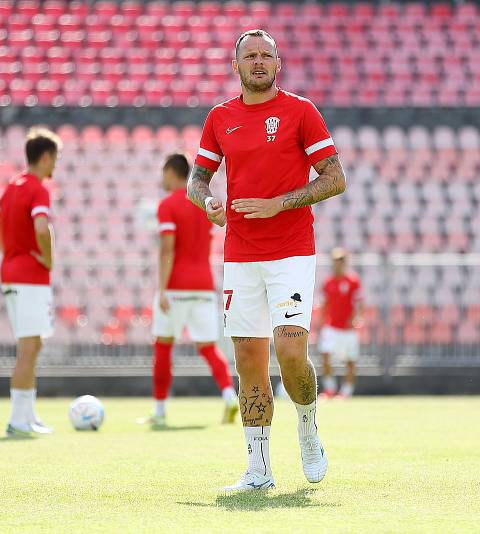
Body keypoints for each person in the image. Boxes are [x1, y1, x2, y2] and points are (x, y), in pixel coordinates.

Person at [187, 29, 347, 491]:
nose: (258, 62)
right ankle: (258, 471)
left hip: (292, 251)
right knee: (249, 359)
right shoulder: (220, 117)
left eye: (266, 55)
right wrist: (208, 204)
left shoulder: (301, 112)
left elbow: (335, 178)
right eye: (249, 56)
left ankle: (309, 429)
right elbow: (196, 183)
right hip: (239, 254)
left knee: (291, 349)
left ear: (279, 65)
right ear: (235, 66)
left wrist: (282, 203)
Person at [142, 153, 239, 427]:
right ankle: (230, 396)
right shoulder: (201, 204)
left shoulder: (168, 205)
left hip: (176, 287)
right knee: (208, 347)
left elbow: (167, 250)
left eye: (163, 171)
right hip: (204, 285)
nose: (161, 177)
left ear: (172, 172)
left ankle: (159, 412)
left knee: (163, 345)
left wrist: (162, 289)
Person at [0, 126, 61, 438]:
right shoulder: (37, 189)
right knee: (28, 348)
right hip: (30, 276)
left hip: (12, 271)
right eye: (54, 159)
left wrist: (7, 250)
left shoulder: (11, 186)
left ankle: (28, 415)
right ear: (45, 157)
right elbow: (42, 229)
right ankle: (18, 420)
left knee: (33, 344)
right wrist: (47, 259)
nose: (55, 166)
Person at [319, 248, 363, 399]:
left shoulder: (353, 281)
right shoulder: (328, 282)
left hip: (348, 329)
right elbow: (325, 304)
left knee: (350, 361)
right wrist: (321, 322)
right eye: (335, 261)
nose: (338, 265)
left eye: (341, 261)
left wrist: (357, 318)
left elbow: (359, 303)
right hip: (331, 327)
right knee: (325, 356)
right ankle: (330, 389)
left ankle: (346, 392)